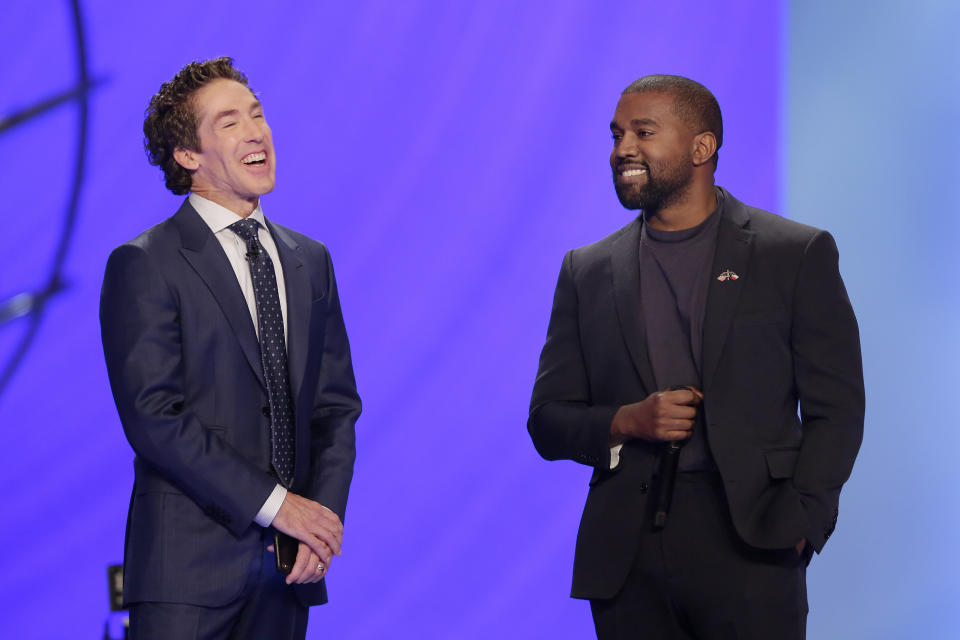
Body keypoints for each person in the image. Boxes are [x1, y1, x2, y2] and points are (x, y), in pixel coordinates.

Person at [528, 74, 864, 639]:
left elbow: (838, 408)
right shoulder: (585, 271)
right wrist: (626, 420)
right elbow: (548, 419)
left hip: (753, 543)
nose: (622, 149)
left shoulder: (794, 253)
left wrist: (804, 519)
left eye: (643, 132)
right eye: (616, 135)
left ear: (701, 148)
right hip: (627, 556)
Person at [100, 57, 360, 640]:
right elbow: (155, 418)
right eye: (228, 122)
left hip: (286, 575)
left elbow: (335, 407)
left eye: (258, 114)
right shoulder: (145, 263)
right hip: (186, 579)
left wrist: (321, 519)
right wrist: (276, 505)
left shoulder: (309, 260)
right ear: (187, 157)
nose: (255, 131)